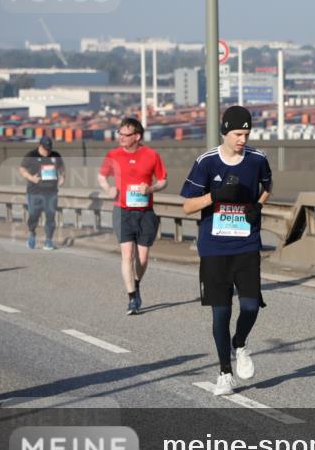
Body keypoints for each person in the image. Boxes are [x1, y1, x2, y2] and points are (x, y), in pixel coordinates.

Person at [181, 106, 272, 396]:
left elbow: (267, 187)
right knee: (220, 313)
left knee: (250, 306)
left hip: (246, 244)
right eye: (237, 134)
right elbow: (187, 206)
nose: (242, 139)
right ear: (225, 132)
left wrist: (258, 207)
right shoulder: (207, 162)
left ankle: (241, 343)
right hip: (214, 248)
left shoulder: (257, 159)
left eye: (246, 134)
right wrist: (215, 195)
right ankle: (224, 372)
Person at [97, 117, 168, 315]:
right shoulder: (113, 155)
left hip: (145, 211)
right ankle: (132, 298)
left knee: (143, 258)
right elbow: (101, 176)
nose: (120, 137)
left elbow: (163, 181)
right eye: (119, 133)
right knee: (127, 255)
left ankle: (136, 284)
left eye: (125, 134)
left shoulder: (151, 155)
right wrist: (108, 188)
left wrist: (151, 188)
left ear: (136, 136)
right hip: (122, 210)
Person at [18, 135, 64, 250]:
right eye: (45, 149)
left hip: (51, 192)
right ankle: (32, 233)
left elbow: (62, 168)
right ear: (40, 146)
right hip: (34, 192)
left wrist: (63, 177)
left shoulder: (55, 155)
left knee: (50, 216)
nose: (47, 151)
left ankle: (48, 240)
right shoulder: (31, 155)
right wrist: (31, 178)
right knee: (34, 215)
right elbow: (22, 168)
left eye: (49, 149)